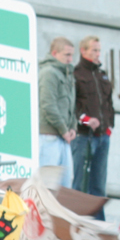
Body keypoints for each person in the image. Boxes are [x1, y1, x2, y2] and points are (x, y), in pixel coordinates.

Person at [71, 35, 115, 214]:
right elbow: (72, 107)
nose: (98, 54)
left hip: (103, 136)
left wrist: (109, 126)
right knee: (80, 182)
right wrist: (86, 120)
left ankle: (97, 224)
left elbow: (109, 104)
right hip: (83, 136)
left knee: (98, 184)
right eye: (94, 50)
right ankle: (77, 219)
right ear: (84, 51)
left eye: (99, 50)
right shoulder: (76, 74)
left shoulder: (102, 75)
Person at [38, 37, 77, 189]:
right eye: (66, 55)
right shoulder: (48, 73)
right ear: (54, 53)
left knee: (64, 186)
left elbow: (71, 105)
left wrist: (72, 127)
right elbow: (48, 105)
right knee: (47, 186)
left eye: (71, 55)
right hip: (48, 137)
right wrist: (64, 129)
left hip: (62, 137)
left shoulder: (67, 75)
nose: (70, 59)